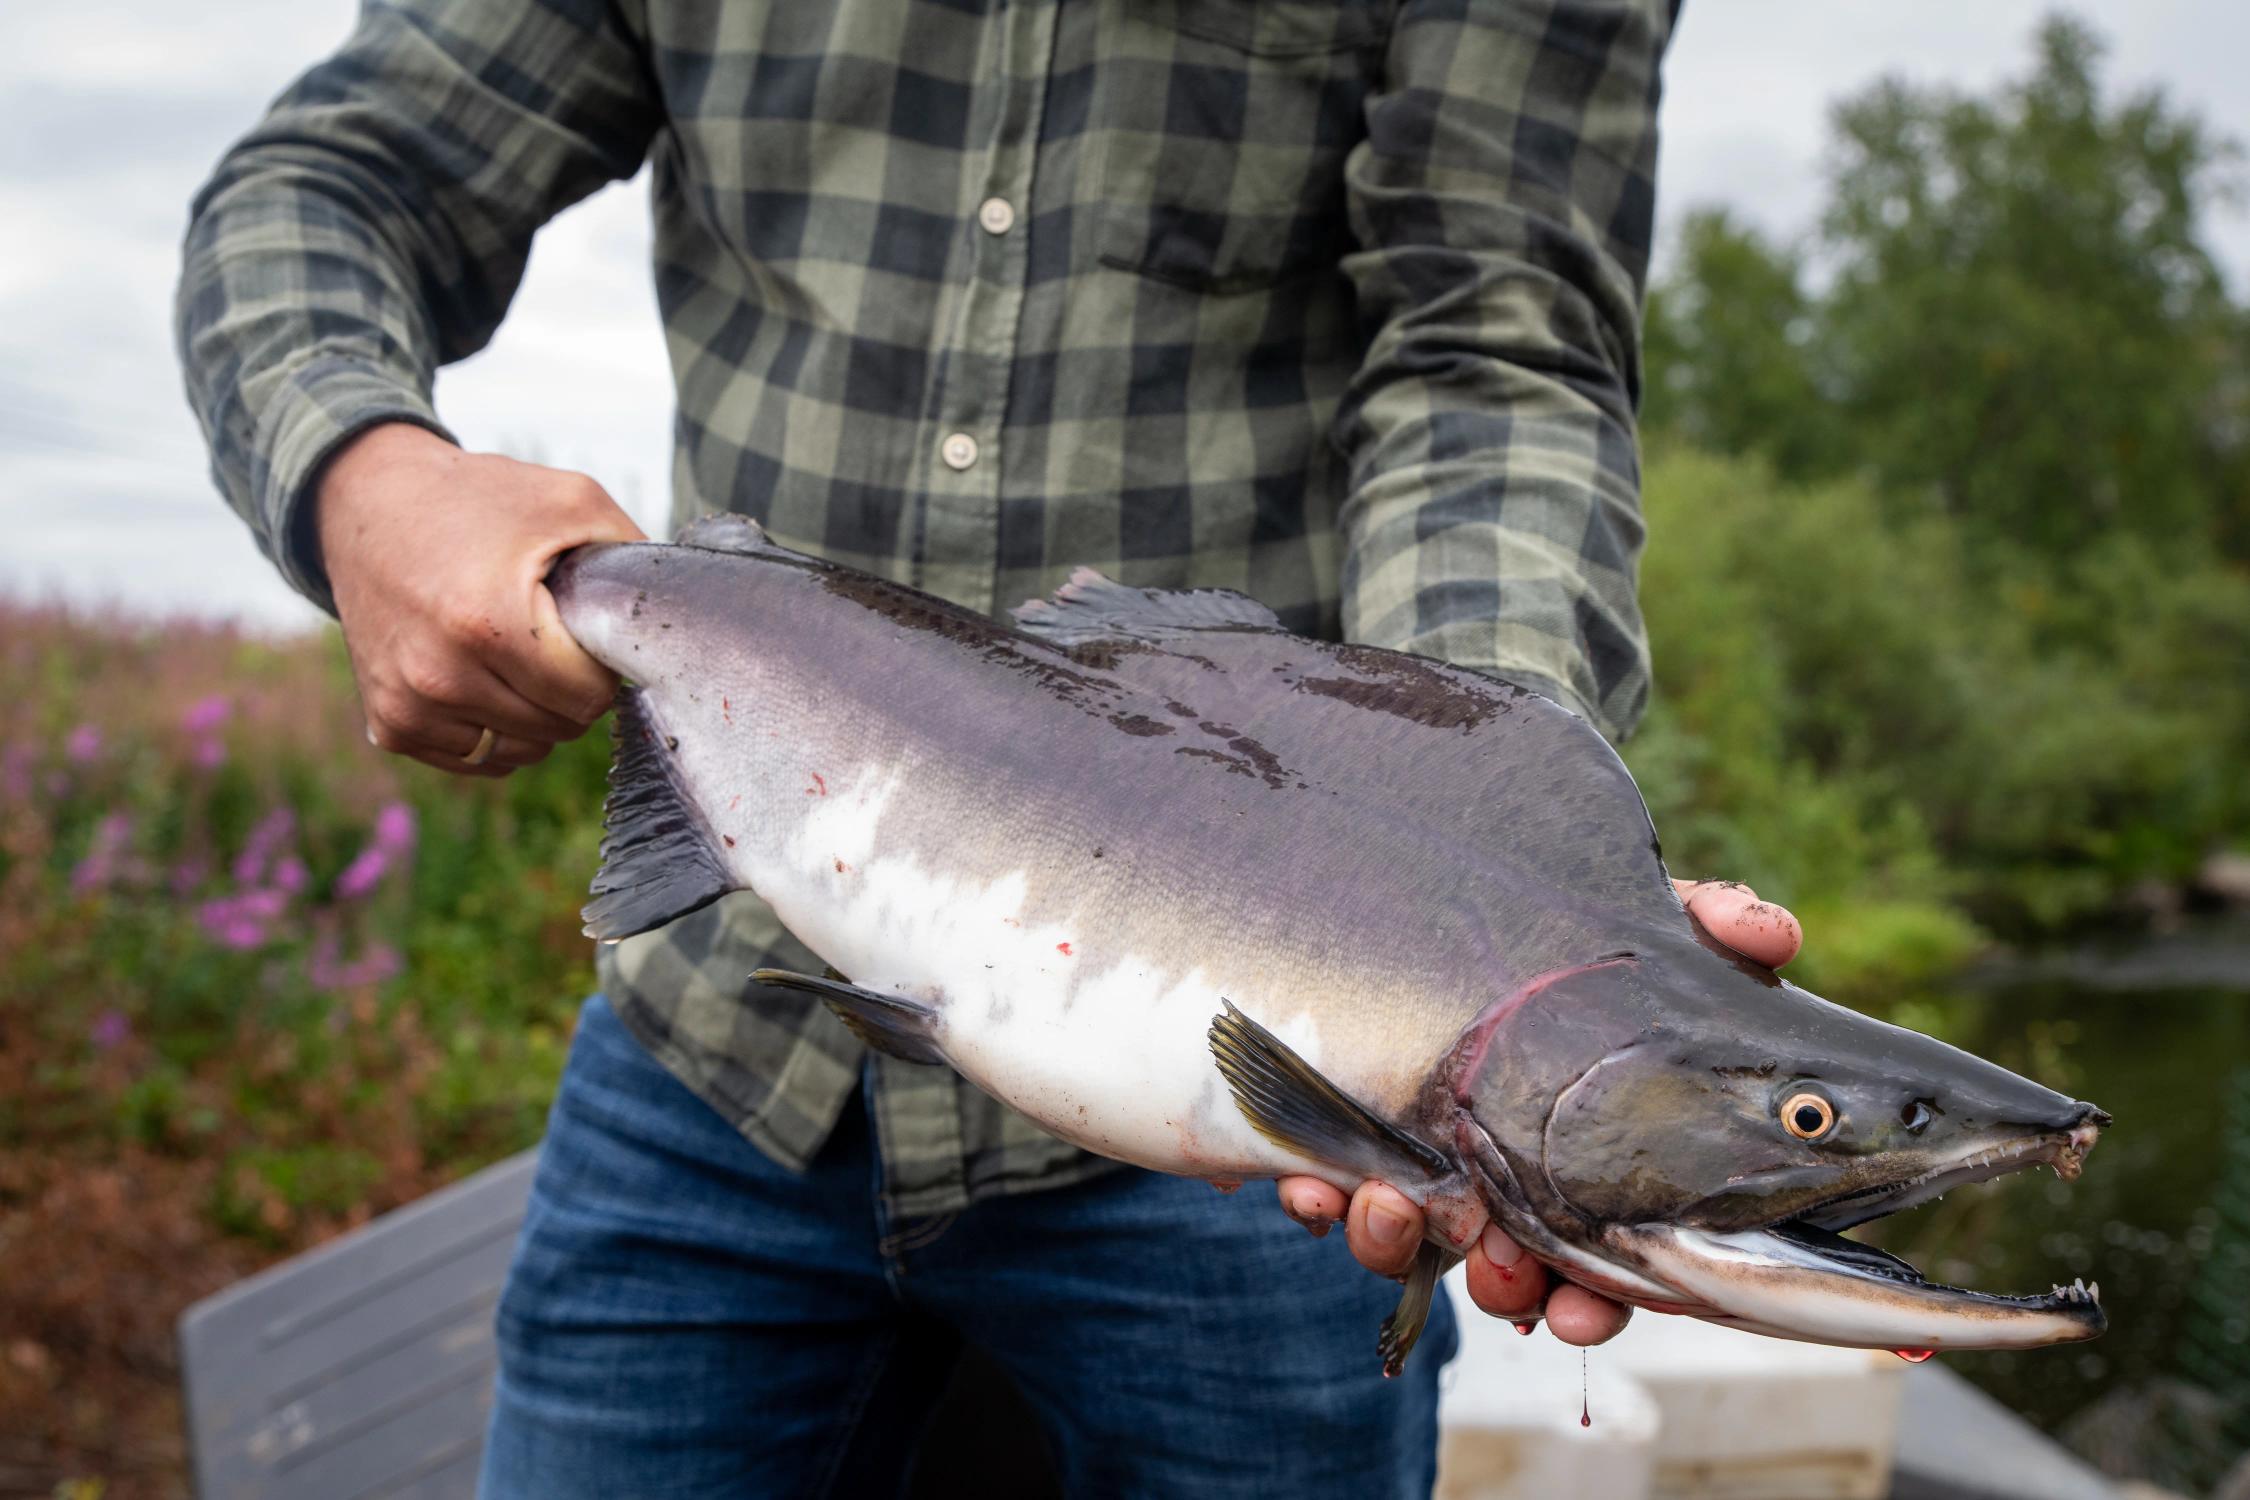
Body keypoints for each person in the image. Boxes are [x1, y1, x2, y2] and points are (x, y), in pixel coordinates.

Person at [177, 0, 1804, 1493]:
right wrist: (358, 468)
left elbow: (1493, 360)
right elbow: (338, 178)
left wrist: (1488, 842)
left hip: (1257, 1142)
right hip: (725, 1043)